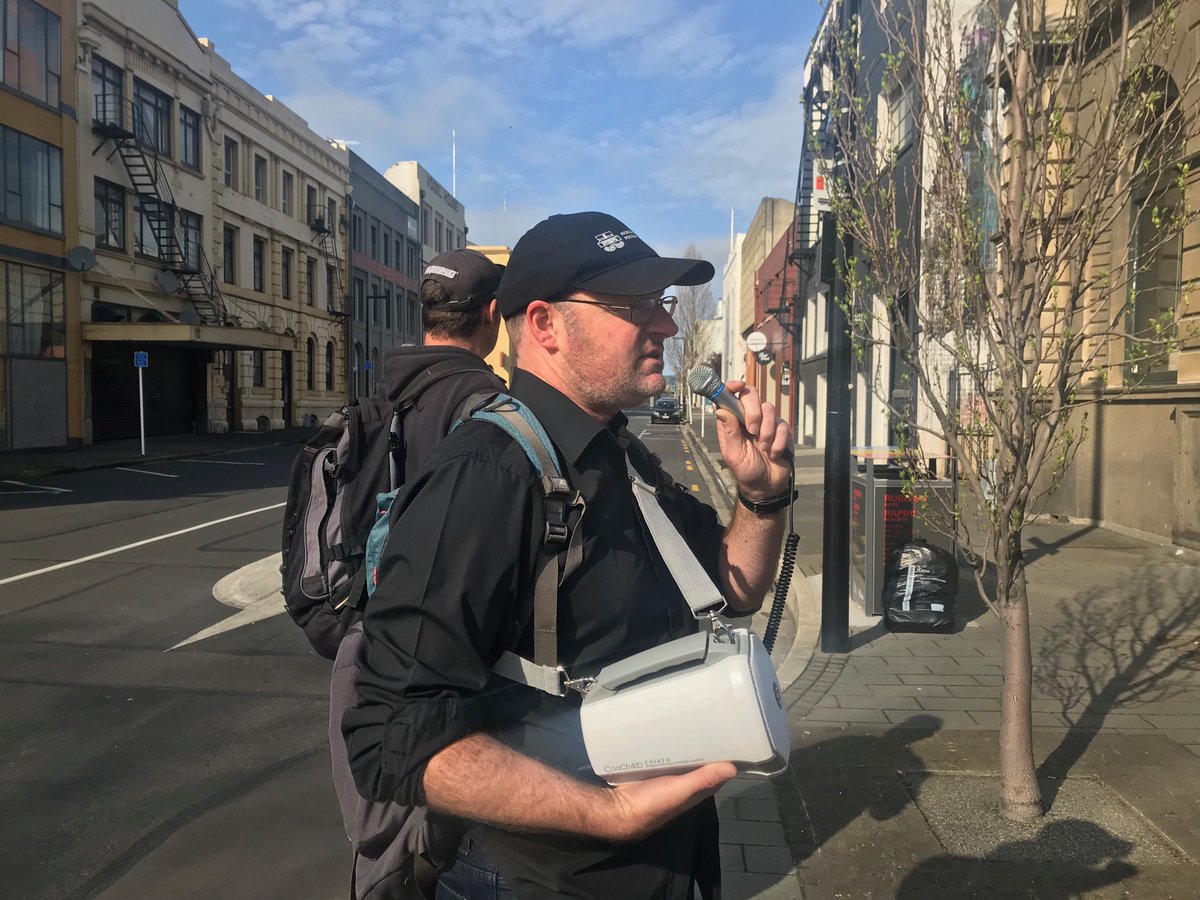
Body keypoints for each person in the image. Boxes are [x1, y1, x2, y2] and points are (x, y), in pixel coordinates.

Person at [344, 212, 794, 900]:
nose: (666, 326)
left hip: (670, 864)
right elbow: (390, 737)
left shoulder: (624, 455)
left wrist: (762, 498)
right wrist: (608, 815)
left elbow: (733, 588)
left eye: (661, 303)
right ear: (546, 324)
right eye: (634, 306)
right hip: (541, 879)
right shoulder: (484, 476)